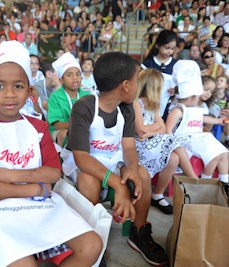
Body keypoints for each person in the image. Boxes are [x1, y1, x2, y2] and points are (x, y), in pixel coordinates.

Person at [0, 40, 102, 266]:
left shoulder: (38, 127)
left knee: (92, 245)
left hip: (40, 206)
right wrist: (36, 187)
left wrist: (5, 174)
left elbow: (54, 173)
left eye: (18, 86)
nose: (9, 94)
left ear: (29, 90)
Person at [61, 52, 168, 266]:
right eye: (138, 79)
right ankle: (90, 239)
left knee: (143, 177)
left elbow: (128, 146)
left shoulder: (126, 108)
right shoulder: (84, 107)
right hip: (84, 164)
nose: (139, 85)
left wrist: (131, 167)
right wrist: (118, 187)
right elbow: (82, 158)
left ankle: (139, 232)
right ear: (125, 85)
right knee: (88, 182)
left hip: (112, 161)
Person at [134, 69, 197, 214]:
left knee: (174, 158)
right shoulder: (136, 104)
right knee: (175, 141)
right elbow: (140, 130)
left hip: (151, 140)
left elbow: (162, 127)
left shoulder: (153, 104)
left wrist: (151, 130)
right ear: (152, 87)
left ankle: (157, 194)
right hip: (140, 144)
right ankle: (195, 181)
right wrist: (154, 128)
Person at [166, 60, 229, 190]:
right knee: (214, 154)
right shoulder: (177, 110)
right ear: (190, 97)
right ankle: (205, 179)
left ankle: (225, 181)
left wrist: (219, 121)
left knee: (223, 151)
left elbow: (203, 118)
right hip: (186, 139)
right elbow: (168, 129)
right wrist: (172, 143)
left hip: (199, 137)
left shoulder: (195, 108)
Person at [47, 52, 89, 147]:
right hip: (61, 130)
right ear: (61, 80)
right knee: (64, 134)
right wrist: (79, 125)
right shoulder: (55, 97)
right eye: (69, 75)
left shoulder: (87, 95)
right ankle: (64, 160)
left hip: (84, 128)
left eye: (78, 74)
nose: (75, 78)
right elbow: (57, 125)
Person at [215, 75, 229, 147]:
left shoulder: (227, 97)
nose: (218, 82)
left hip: (222, 114)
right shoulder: (212, 95)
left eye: (221, 81)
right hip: (212, 114)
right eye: (217, 80)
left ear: (226, 85)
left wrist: (223, 113)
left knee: (228, 120)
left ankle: (228, 137)